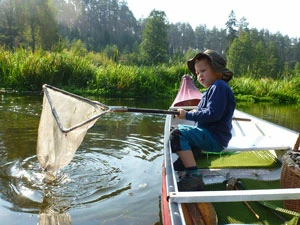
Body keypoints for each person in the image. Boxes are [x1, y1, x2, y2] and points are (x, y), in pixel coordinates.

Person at [170, 49, 236, 191]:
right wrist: (191, 112)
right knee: (175, 131)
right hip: (208, 135)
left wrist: (187, 115)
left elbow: (212, 115)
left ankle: (194, 176)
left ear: (217, 70)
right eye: (197, 73)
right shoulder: (211, 90)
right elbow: (201, 112)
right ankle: (191, 155)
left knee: (177, 134)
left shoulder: (219, 88)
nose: (199, 76)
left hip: (215, 138)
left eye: (203, 71)